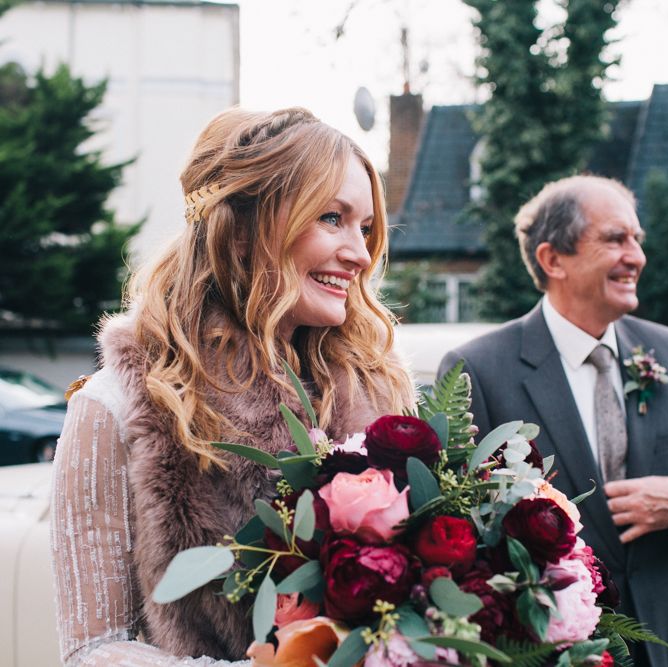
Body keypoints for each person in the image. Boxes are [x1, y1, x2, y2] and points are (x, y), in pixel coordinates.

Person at [50, 107, 415, 666]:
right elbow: (90, 651)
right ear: (242, 230)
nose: (361, 255)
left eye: (365, 228)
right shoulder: (117, 403)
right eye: (331, 218)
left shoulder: (382, 390)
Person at [438, 174, 668, 667]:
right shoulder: (478, 372)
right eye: (616, 239)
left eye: (637, 239)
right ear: (554, 260)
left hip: (662, 651)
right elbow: (455, 539)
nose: (636, 256)